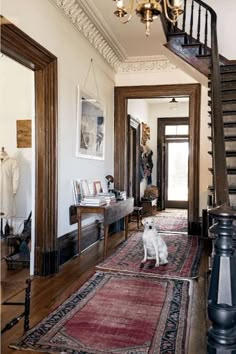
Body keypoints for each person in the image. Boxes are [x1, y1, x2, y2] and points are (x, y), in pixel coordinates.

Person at [0, 147, 20, 220]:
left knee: (6, 211)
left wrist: (14, 190)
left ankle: (6, 228)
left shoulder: (12, 162)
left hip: (7, 192)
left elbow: (16, 177)